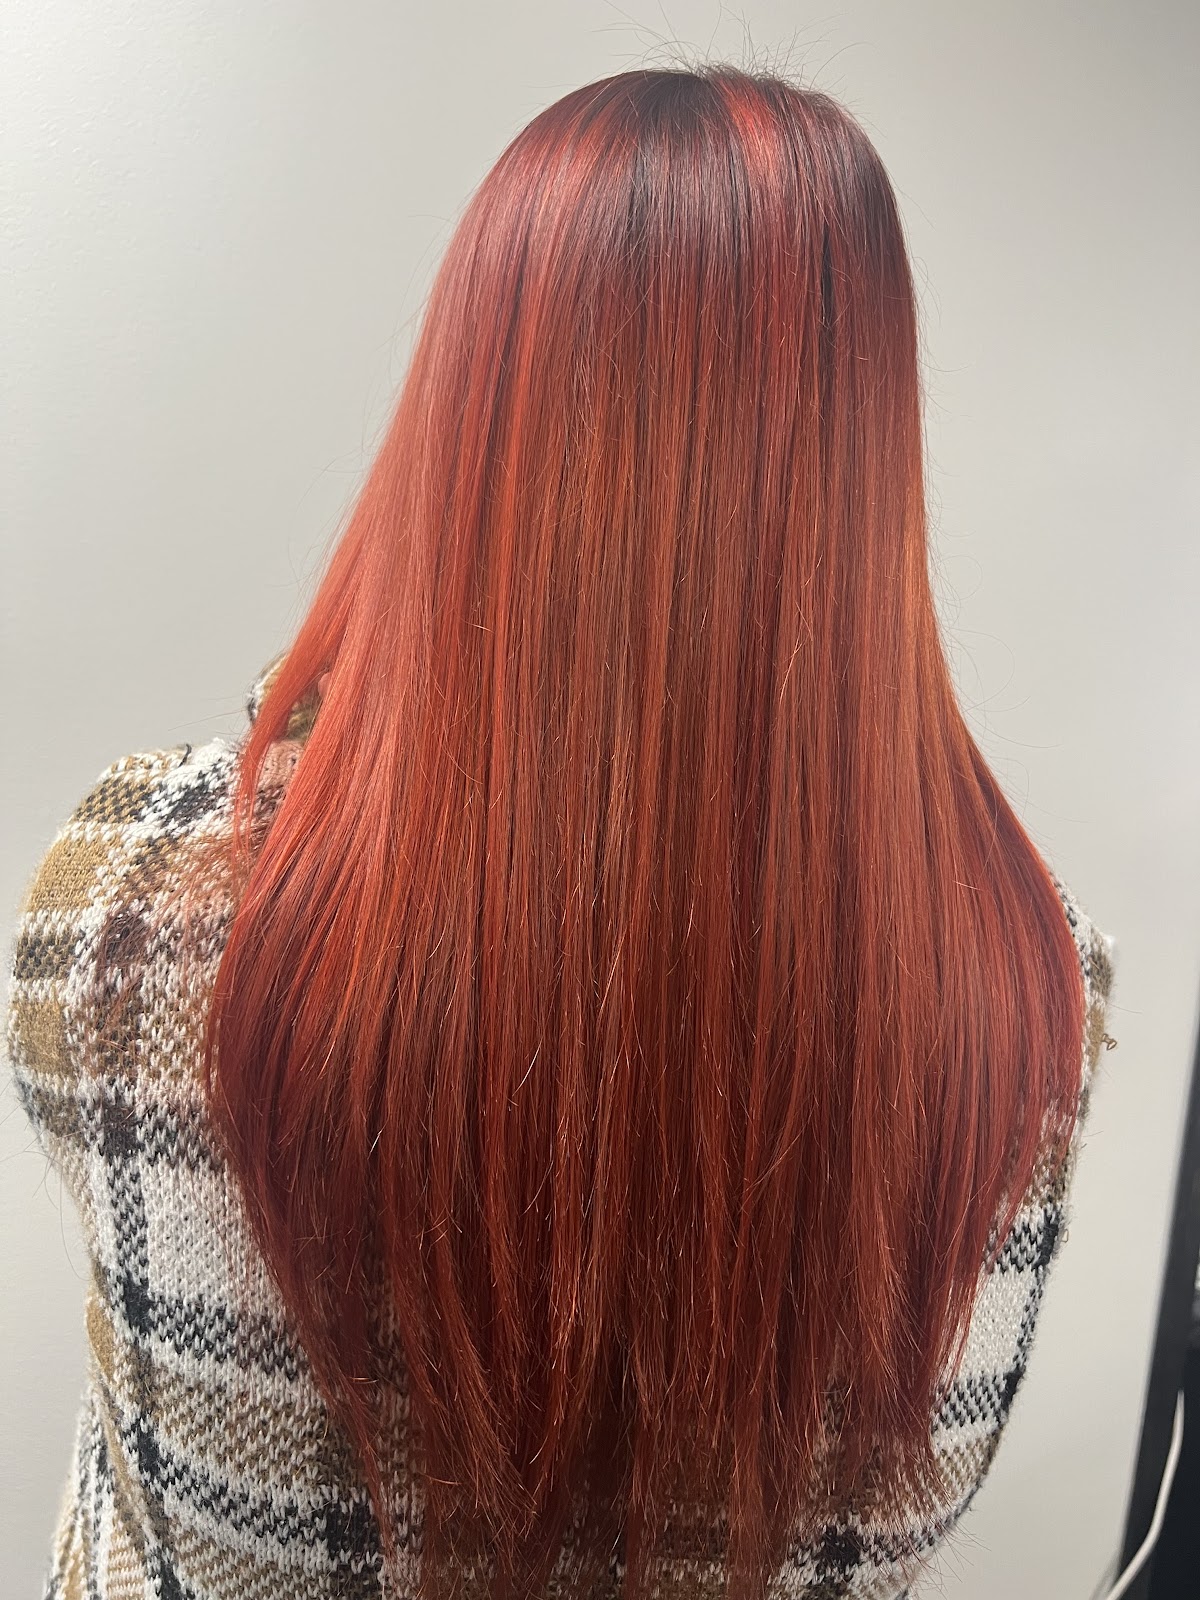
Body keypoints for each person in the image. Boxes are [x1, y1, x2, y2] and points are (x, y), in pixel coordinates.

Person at [5, 64, 1117, 1600]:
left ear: (468, 408)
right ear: (869, 453)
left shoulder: (128, 912)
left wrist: (320, 722)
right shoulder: (1033, 1004)